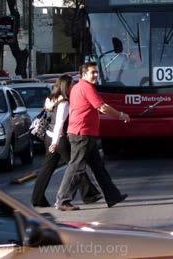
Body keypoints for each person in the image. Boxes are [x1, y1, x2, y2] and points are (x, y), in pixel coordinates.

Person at [55, 62, 130, 211]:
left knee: (98, 167)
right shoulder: (86, 87)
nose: (96, 75)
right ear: (84, 74)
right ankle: (62, 200)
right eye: (92, 72)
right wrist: (121, 115)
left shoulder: (77, 87)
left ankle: (113, 195)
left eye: (96, 72)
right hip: (82, 134)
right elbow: (102, 107)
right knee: (76, 167)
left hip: (84, 133)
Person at [31, 75, 101, 207]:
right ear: (66, 87)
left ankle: (37, 198)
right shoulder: (64, 103)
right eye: (71, 85)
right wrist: (55, 143)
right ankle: (88, 194)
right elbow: (59, 123)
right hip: (59, 139)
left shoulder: (50, 99)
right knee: (75, 166)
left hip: (49, 136)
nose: (73, 87)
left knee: (47, 169)